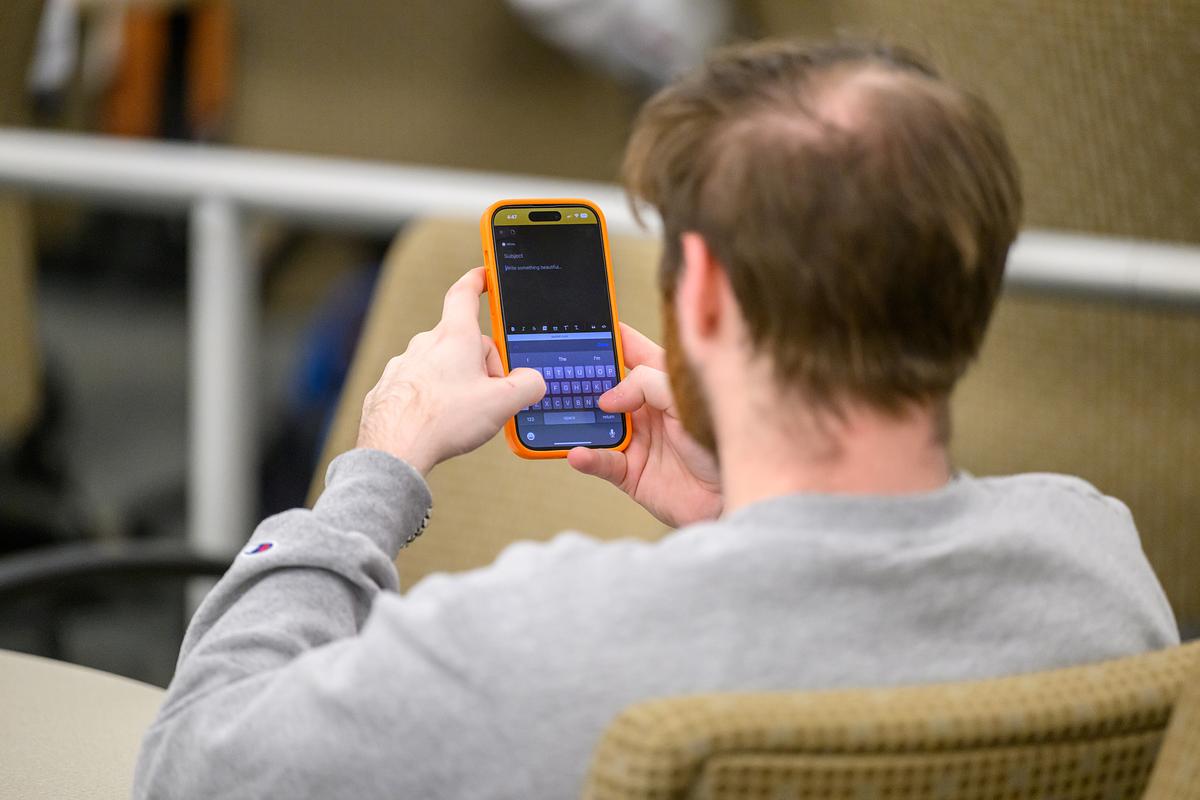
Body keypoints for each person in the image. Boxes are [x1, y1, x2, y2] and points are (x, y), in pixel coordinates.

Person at [134, 40, 1178, 798]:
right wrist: (739, 519)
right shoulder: (1100, 563)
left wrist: (376, 468)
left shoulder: (542, 635)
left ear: (709, 294)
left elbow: (193, 768)